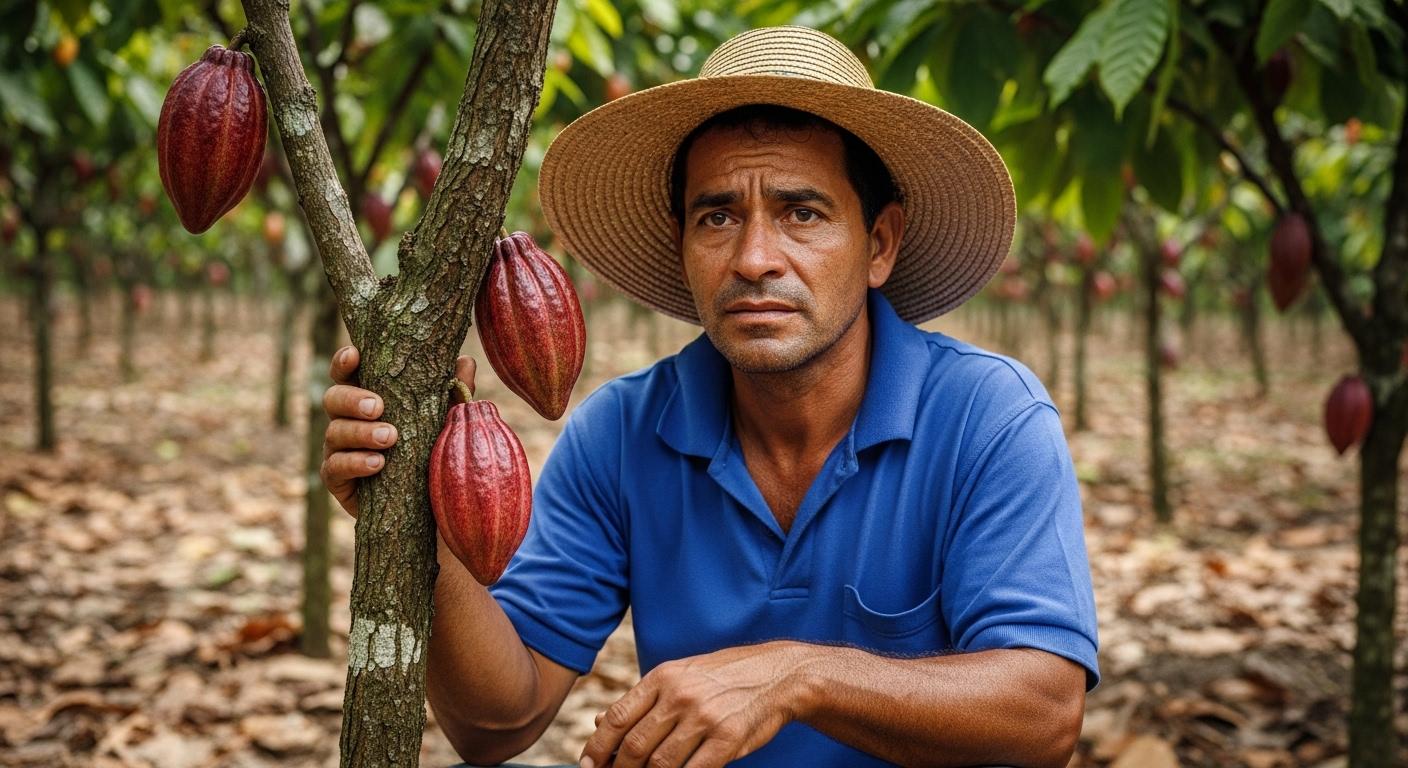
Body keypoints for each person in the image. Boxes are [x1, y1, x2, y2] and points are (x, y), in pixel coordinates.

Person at [321, 26, 1098, 768]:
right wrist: (410, 518)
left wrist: (798, 677)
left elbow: (1046, 712)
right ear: (683, 246)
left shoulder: (987, 417)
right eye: (718, 215)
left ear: (880, 243)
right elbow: (498, 721)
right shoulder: (621, 433)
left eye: (803, 212)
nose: (755, 258)